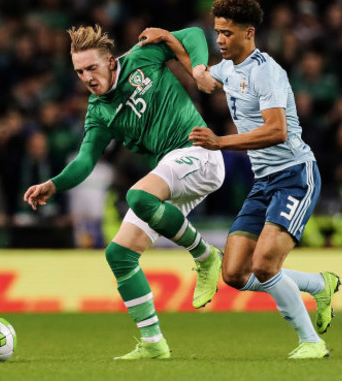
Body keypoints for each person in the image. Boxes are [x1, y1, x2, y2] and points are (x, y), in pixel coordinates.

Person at [24, 25, 225, 360]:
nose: (87, 77)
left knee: (137, 196)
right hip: (172, 173)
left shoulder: (142, 57)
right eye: (79, 72)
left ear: (111, 62)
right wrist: (53, 184)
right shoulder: (99, 112)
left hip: (200, 152)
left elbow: (191, 34)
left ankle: (205, 256)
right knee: (119, 254)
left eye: (92, 68)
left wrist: (199, 68)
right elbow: (86, 161)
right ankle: (153, 343)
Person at [185, 0, 340, 359]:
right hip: (263, 181)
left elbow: (277, 131)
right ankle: (320, 285)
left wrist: (221, 141)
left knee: (266, 264)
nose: (219, 40)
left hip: (294, 175)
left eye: (226, 33)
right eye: (216, 32)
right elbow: (204, 76)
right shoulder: (229, 69)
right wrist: (175, 49)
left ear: (249, 33)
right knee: (235, 272)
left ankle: (311, 343)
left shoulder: (265, 71)